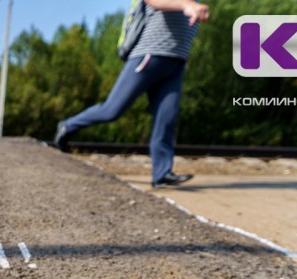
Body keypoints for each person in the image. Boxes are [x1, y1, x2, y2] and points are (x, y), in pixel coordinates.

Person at [54, 0, 209, 188]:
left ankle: (162, 174)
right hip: (148, 57)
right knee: (112, 110)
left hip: (175, 63)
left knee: (166, 119)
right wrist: (187, 6)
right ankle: (68, 126)